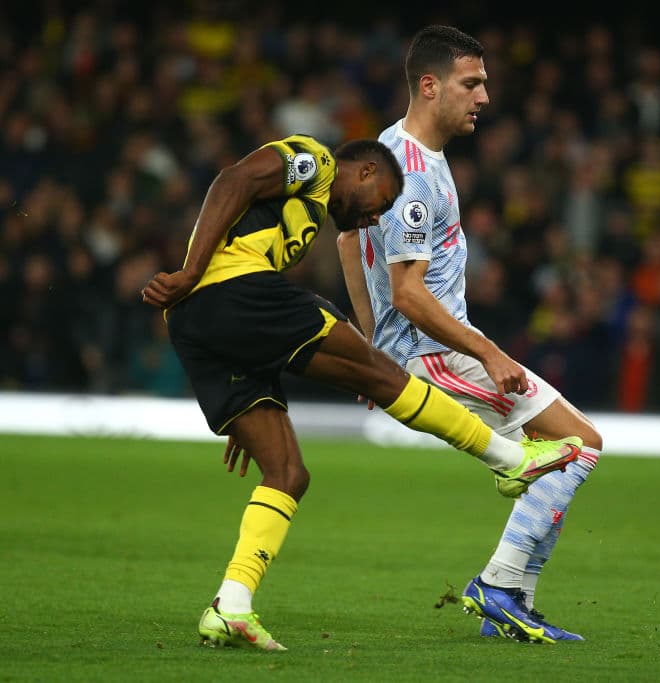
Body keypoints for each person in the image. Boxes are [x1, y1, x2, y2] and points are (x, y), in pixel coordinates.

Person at [141, 133, 581, 651]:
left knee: (287, 473)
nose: (377, 218)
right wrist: (191, 271)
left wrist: (249, 374)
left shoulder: (303, 222)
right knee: (380, 371)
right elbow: (233, 179)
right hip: (226, 292)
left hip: (200, 325)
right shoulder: (318, 162)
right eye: (383, 204)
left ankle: (231, 606)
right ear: (366, 171)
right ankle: (509, 458)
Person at [339, 25, 602, 643]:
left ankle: (512, 608)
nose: (484, 96)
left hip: (419, 354)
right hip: (438, 357)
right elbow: (408, 292)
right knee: (580, 447)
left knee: (559, 456)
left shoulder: (388, 150)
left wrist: (373, 351)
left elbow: (349, 241)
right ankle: (501, 588)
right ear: (430, 86)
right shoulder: (412, 176)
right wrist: (485, 349)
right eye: (472, 83)